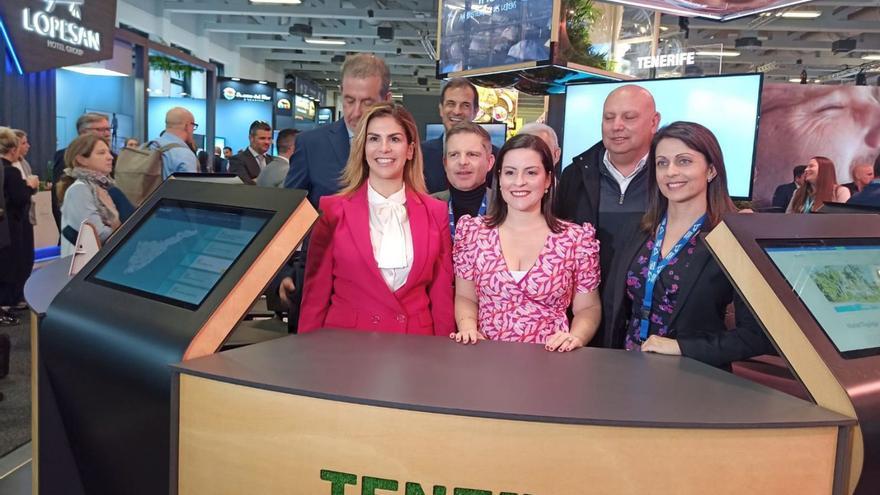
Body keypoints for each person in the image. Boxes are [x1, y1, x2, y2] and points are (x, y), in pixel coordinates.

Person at [602, 121, 775, 369]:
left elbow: (758, 337)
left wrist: (682, 348)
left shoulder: (732, 237)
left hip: (692, 379)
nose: (670, 171)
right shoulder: (638, 229)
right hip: (627, 368)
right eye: (662, 163)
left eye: (684, 161)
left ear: (711, 170)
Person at [297, 102, 454, 335]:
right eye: (374, 139)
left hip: (417, 348)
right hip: (346, 348)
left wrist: (445, 358)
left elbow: (441, 295)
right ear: (362, 148)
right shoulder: (333, 210)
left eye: (394, 139)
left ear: (410, 150)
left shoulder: (435, 211)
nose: (384, 148)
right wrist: (306, 353)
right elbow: (315, 296)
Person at [450, 133, 601, 351]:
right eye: (510, 172)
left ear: (548, 179)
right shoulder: (473, 233)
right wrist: (467, 327)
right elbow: (465, 296)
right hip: (485, 357)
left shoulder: (576, 240)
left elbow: (588, 307)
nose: (519, 182)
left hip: (551, 360)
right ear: (499, 178)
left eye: (531, 172)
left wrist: (576, 337)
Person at [555, 84, 660, 346]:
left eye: (629, 117)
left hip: (650, 321)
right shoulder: (576, 175)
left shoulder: (668, 178)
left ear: (654, 122)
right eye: (609, 117)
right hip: (583, 320)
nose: (617, 126)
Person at [285, 53, 392, 207]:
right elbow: (290, 211)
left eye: (367, 103)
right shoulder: (311, 145)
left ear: (386, 100)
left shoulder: (402, 149)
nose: (356, 113)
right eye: (349, 101)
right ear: (341, 91)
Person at [57, 134, 121, 257]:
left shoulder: (105, 187)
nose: (110, 157)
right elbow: (98, 235)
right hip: (85, 264)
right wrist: (118, 223)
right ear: (81, 159)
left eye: (109, 152)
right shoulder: (79, 190)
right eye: (101, 153)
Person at [52, 113, 114, 232]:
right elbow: (59, 200)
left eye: (108, 129)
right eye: (100, 129)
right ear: (84, 132)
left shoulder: (113, 158)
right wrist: (67, 232)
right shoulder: (66, 158)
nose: (107, 134)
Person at [421, 78, 484, 194]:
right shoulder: (420, 154)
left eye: (465, 105)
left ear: (475, 112)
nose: (456, 111)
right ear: (441, 109)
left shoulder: (494, 155)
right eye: (451, 104)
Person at [431, 122, 495, 233]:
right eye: (454, 155)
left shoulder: (507, 207)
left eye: (472, 154)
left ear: (489, 162)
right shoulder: (426, 207)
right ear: (445, 163)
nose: (462, 162)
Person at [0, 128, 37, 318]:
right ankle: (9, 301)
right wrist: (30, 187)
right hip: (12, 226)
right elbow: (20, 198)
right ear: (13, 149)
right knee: (15, 262)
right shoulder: (12, 172)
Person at [10, 130, 38, 309]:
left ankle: (22, 294)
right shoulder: (6, 167)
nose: (27, 146)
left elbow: (32, 188)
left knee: (27, 257)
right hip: (13, 219)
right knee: (14, 259)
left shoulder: (25, 163)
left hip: (27, 215)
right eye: (23, 143)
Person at [154, 107, 199, 179]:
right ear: (187, 126)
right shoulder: (185, 154)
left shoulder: (147, 146)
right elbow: (191, 188)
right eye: (193, 125)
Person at [229, 120, 274, 185]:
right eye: (262, 138)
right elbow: (245, 186)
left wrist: (255, 180)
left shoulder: (273, 160)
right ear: (251, 138)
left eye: (269, 138)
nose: (267, 142)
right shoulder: (237, 160)